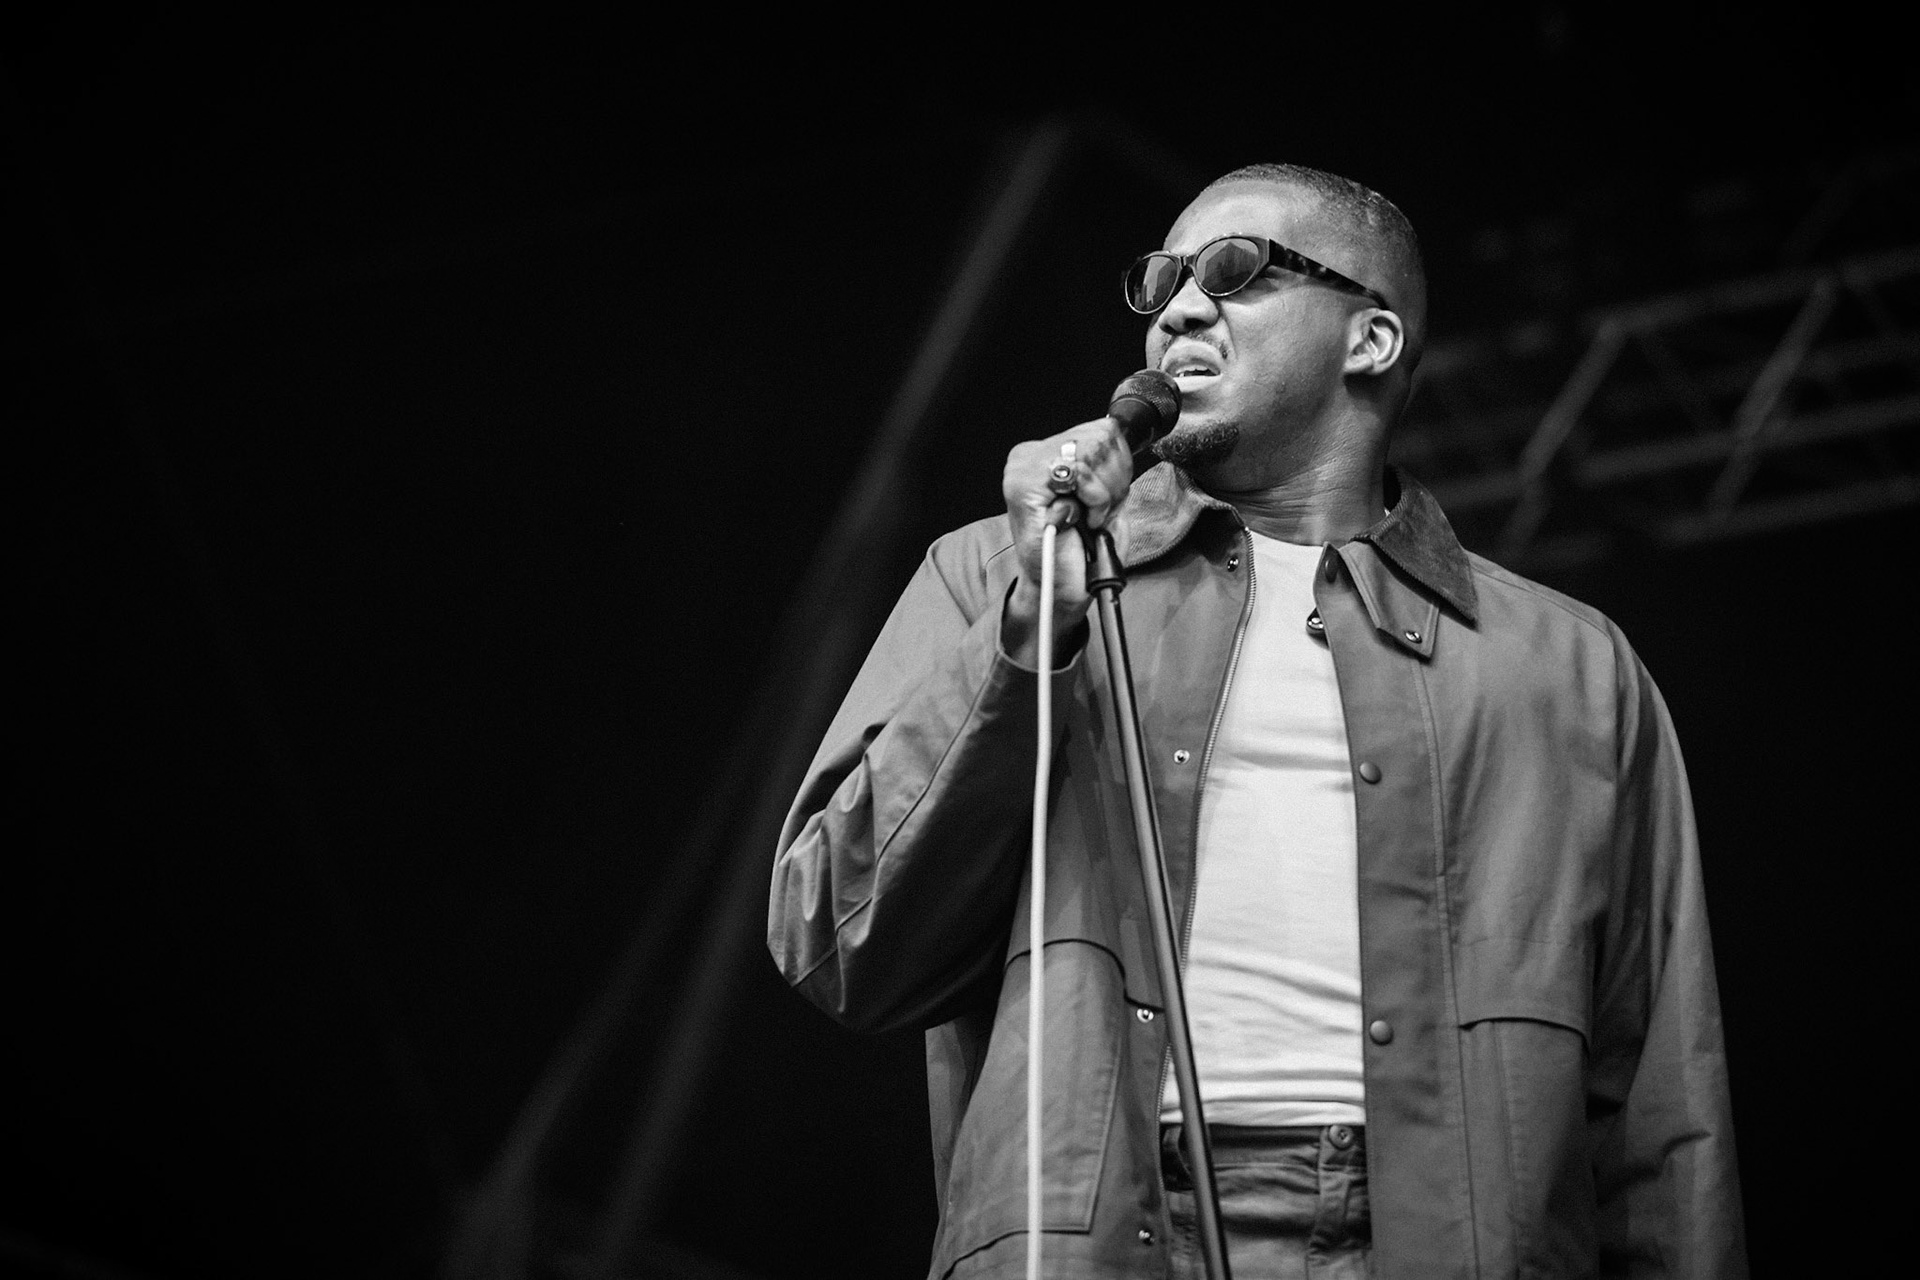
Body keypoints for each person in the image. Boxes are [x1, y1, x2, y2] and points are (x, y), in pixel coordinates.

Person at [767, 163, 1745, 1279]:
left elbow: (1663, 1106)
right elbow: (840, 938)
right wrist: (1029, 636)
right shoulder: (1006, 574)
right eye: (1165, 280)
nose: (1180, 306)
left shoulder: (1566, 668)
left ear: (1369, 341)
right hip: (1112, 1233)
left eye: (1235, 271)